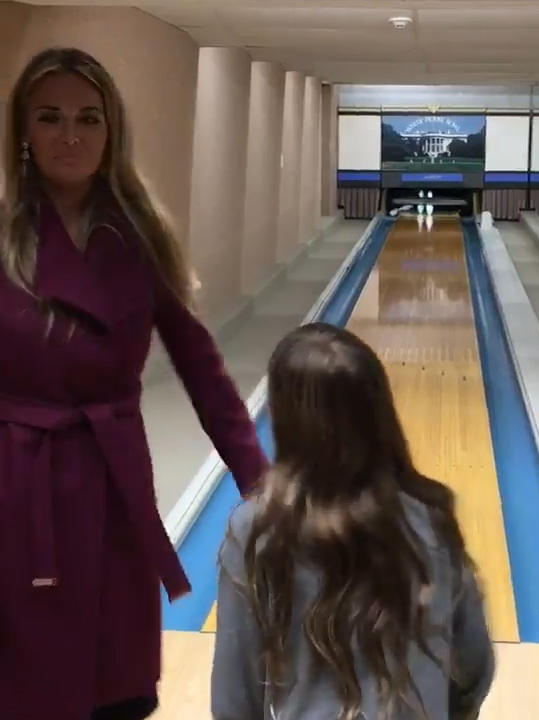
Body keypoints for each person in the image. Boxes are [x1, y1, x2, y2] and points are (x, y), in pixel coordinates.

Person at [0, 47, 268, 720]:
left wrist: (263, 484)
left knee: (111, 685)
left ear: (111, 131)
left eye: (89, 119)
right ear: (23, 134)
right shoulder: (3, 234)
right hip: (14, 482)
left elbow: (202, 368)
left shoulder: (141, 235)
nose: (70, 136)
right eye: (51, 118)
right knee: (26, 681)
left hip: (110, 483)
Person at [211, 323, 495, 720]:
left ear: (279, 418)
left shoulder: (255, 532)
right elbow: (473, 670)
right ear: (381, 414)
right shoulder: (430, 521)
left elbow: (233, 701)